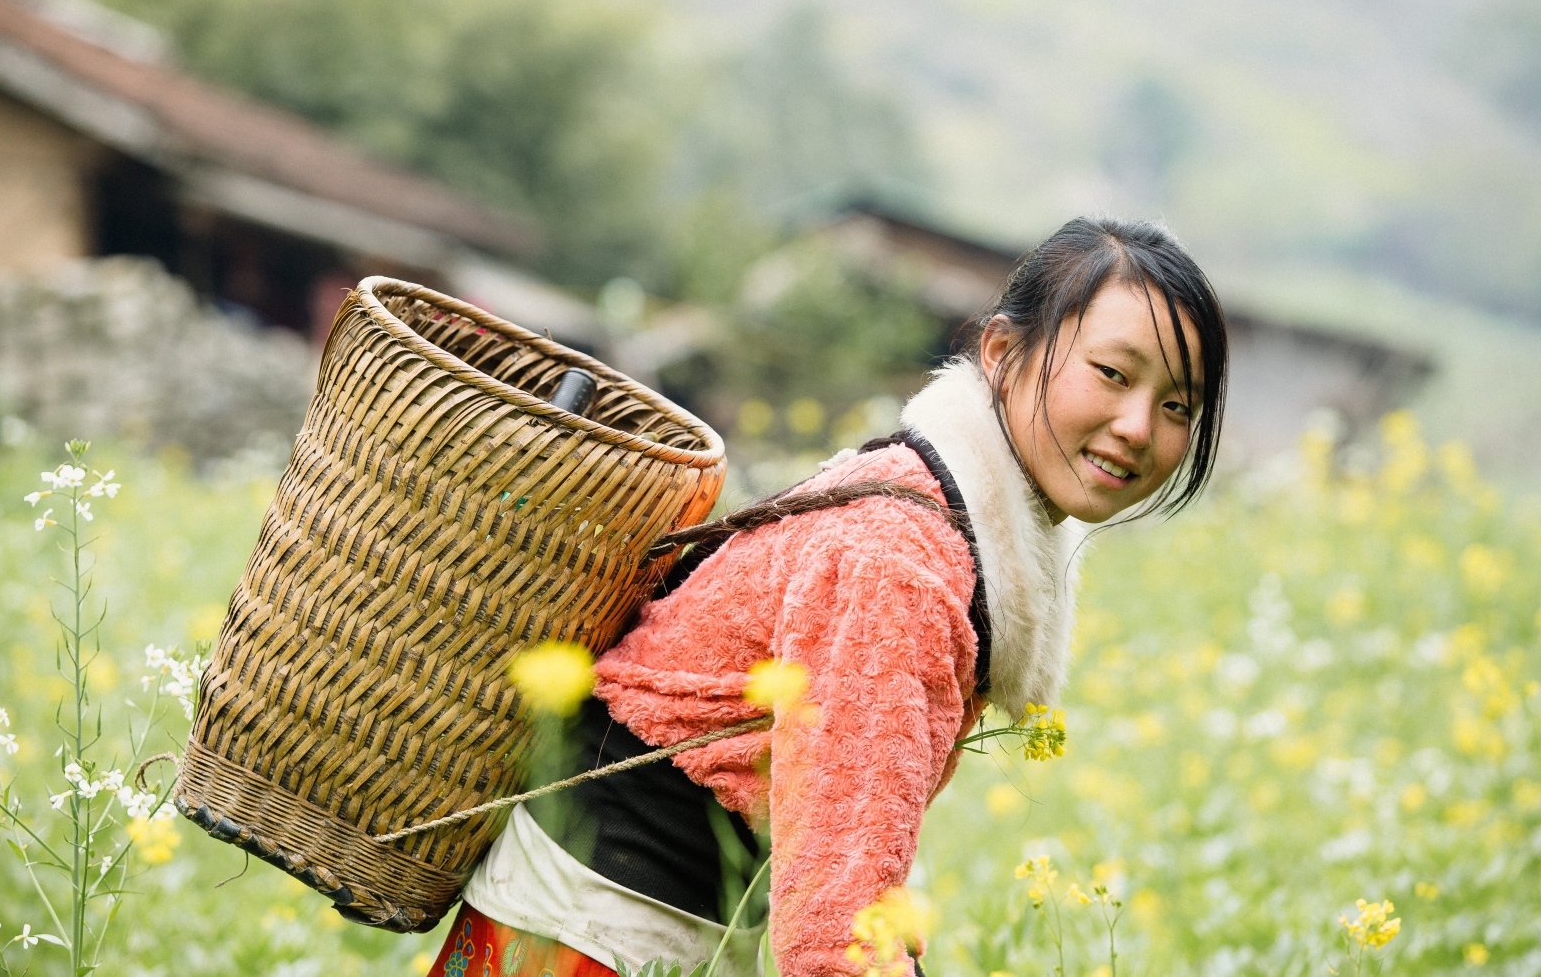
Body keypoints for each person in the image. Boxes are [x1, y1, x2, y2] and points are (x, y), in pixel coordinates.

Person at [428, 216, 1229, 977]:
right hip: (591, 926)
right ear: (1001, 352)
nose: (1138, 426)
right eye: (1113, 374)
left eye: (1177, 406)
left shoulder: (942, 513)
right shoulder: (899, 560)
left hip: (634, 916)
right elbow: (841, 916)